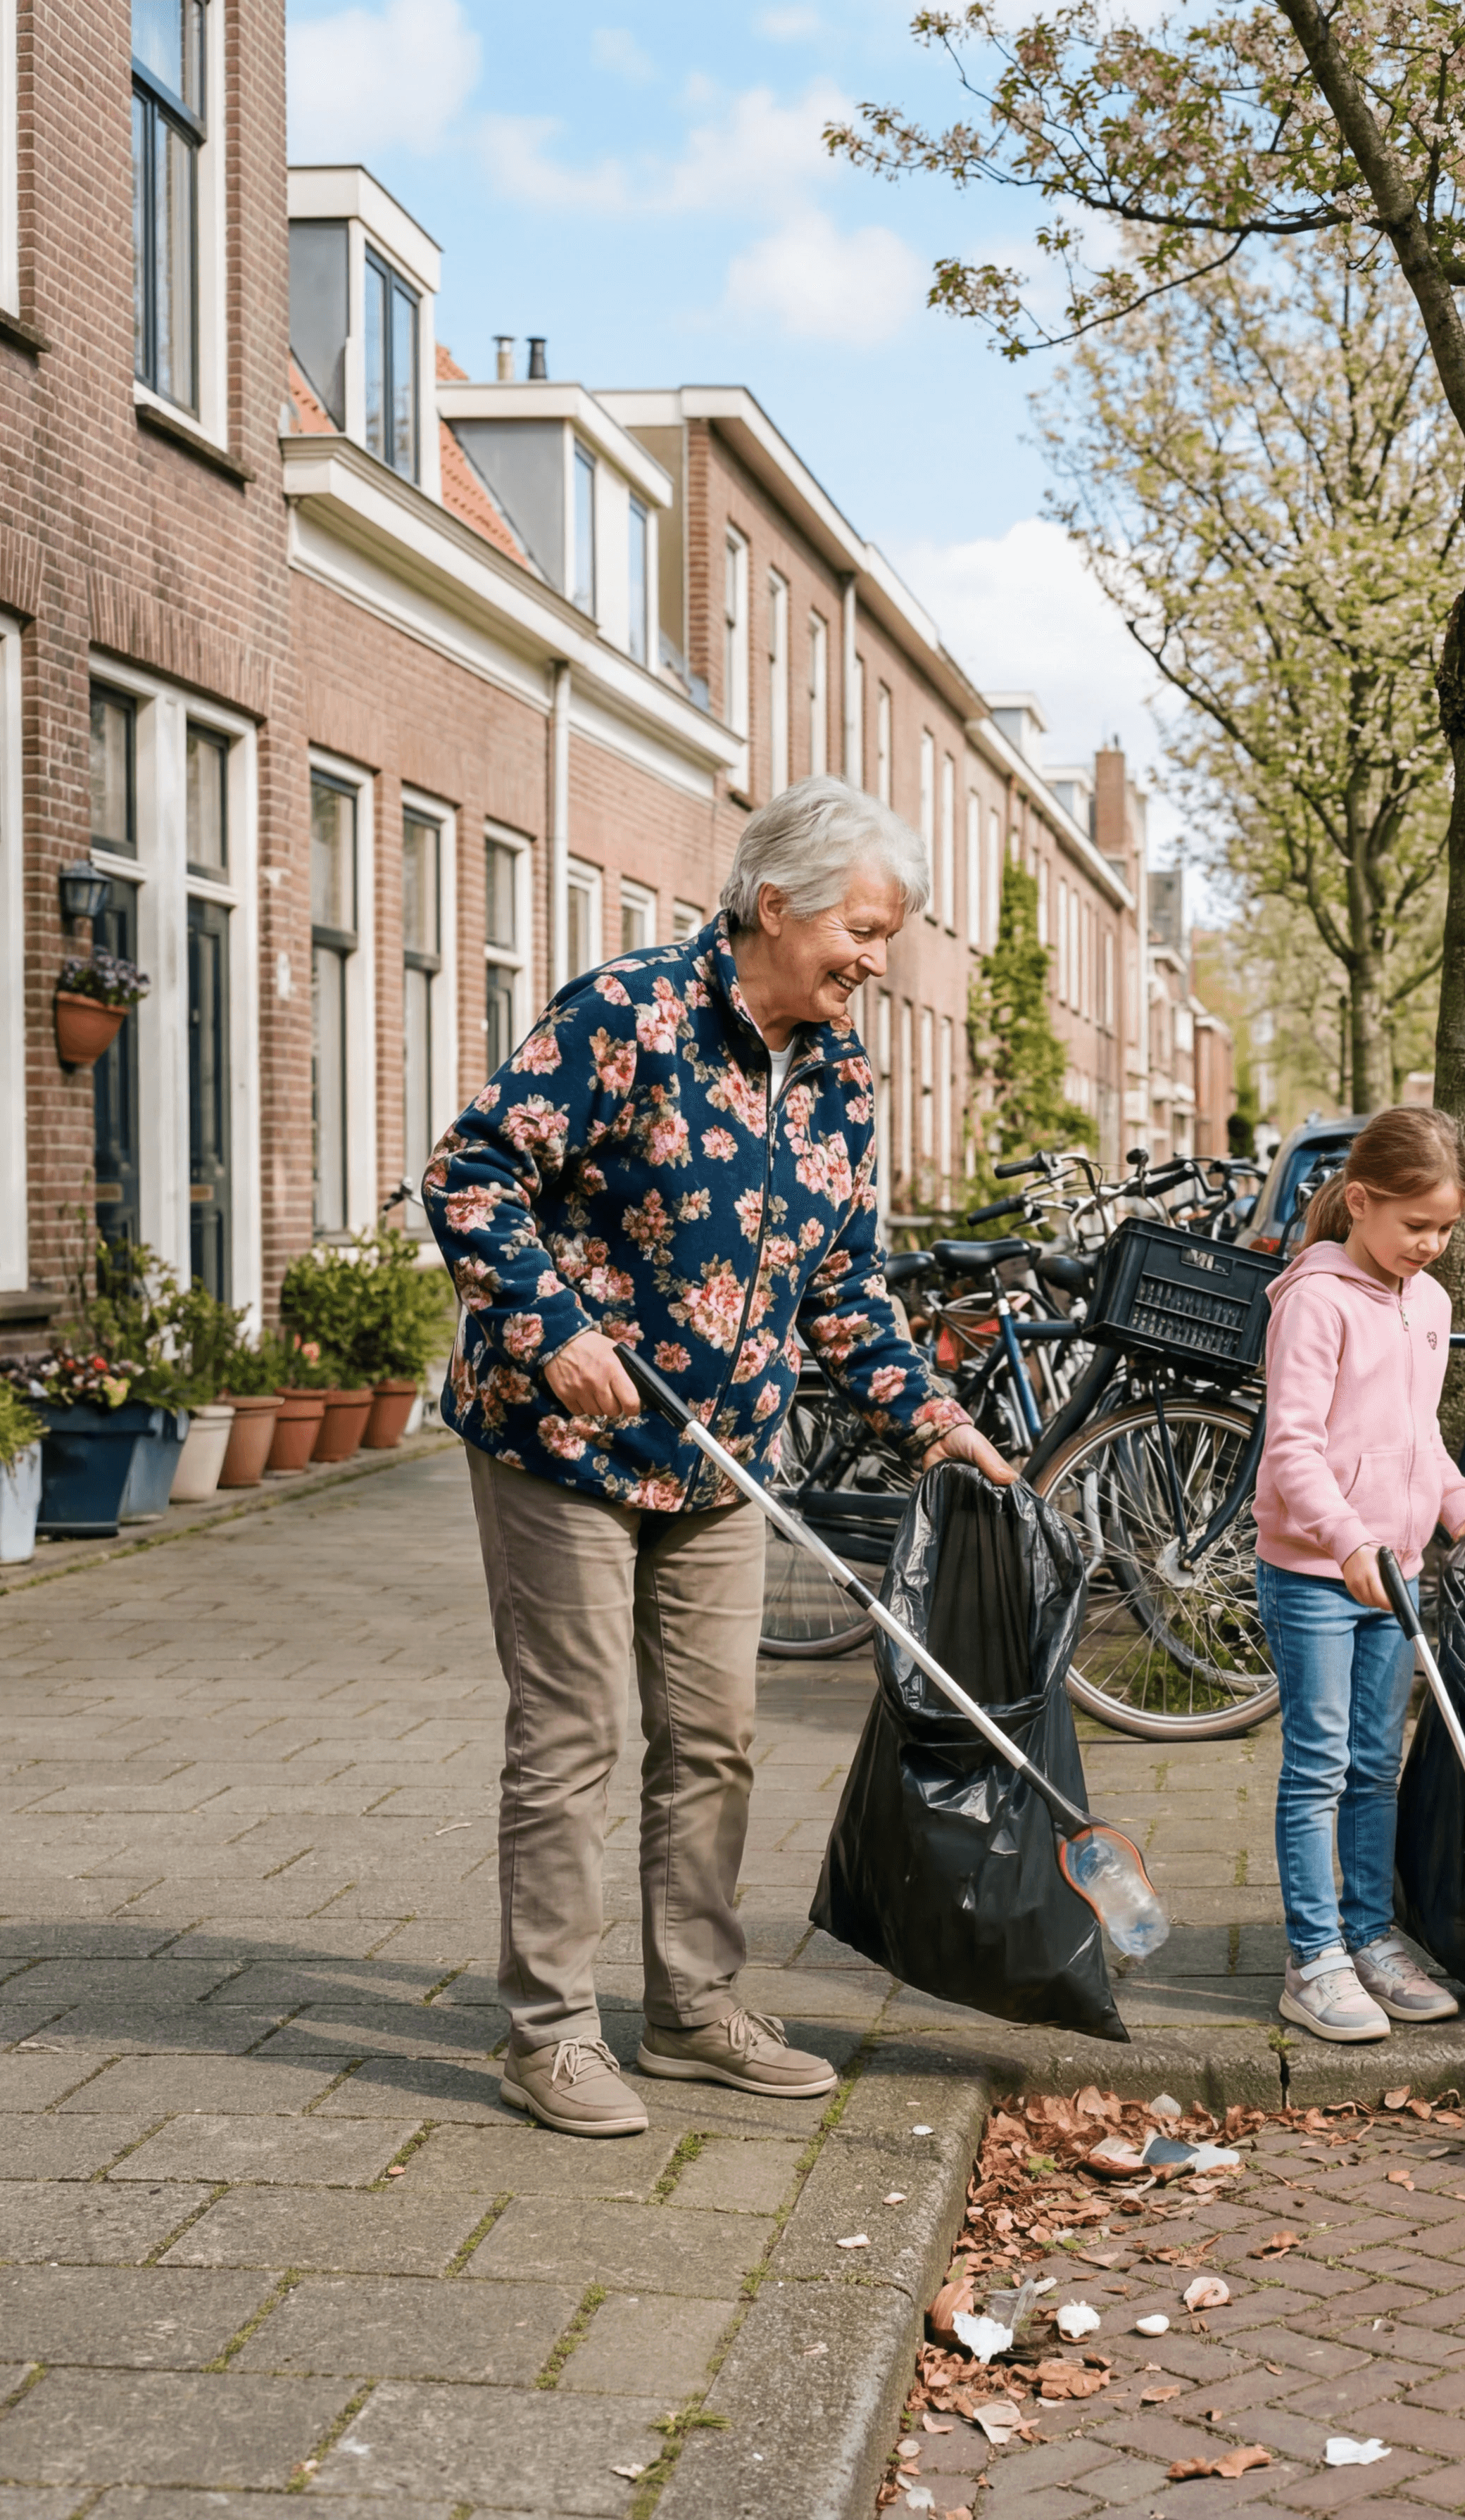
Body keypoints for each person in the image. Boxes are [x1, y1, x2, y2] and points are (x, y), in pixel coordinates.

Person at [426, 777, 1017, 2138]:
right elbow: (470, 1176)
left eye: (889, 937)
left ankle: (692, 2009)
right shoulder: (624, 1016)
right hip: (563, 1438)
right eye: (862, 930)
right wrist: (548, 1322)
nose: (877, 960)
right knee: (573, 1735)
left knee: (717, 1739)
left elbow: (847, 1289)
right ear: (775, 905)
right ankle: (550, 2035)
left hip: (722, 1461)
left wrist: (937, 1425)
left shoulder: (843, 1077)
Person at [1252, 1108, 1465, 2043]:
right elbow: (1292, 1448)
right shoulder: (1313, 1301)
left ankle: (1371, 1935)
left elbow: (1416, 1437)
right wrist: (1348, 1540)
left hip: (1394, 1574)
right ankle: (1313, 1957)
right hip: (1319, 1573)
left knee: (1376, 1766)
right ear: (1360, 1203)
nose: (1432, 1246)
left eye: (1445, 1230)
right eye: (1416, 1227)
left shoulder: (1431, 1303)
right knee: (1319, 1766)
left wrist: (1462, 1508)